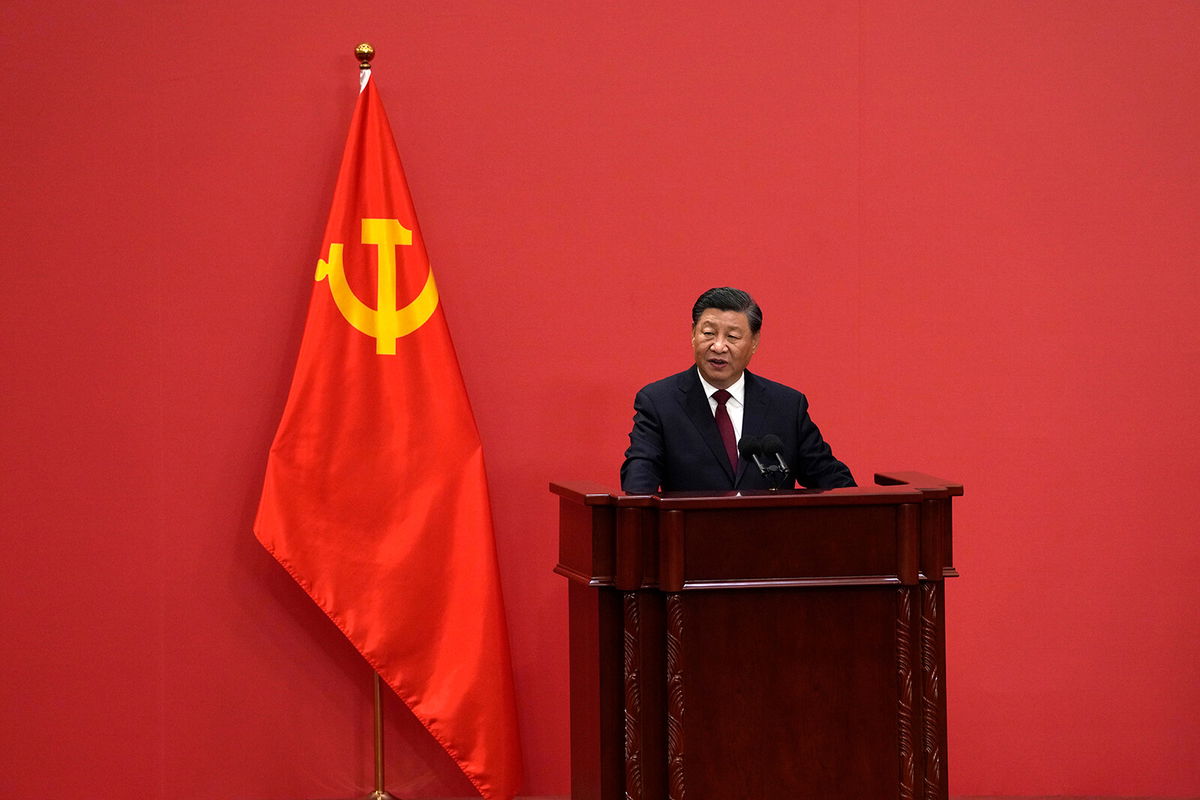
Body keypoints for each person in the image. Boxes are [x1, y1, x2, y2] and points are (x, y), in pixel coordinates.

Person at [620, 287, 855, 493]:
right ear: (693, 334)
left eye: (732, 336)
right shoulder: (659, 402)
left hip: (771, 539)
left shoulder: (786, 405)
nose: (719, 346)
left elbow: (828, 476)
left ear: (754, 342)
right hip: (689, 538)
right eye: (708, 333)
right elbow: (639, 480)